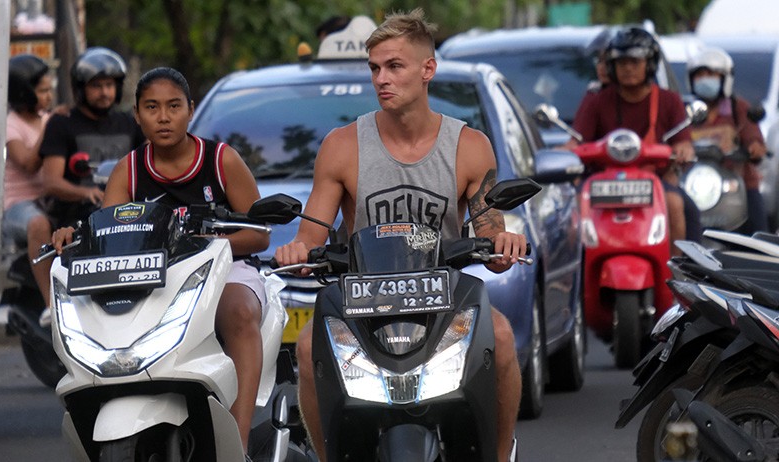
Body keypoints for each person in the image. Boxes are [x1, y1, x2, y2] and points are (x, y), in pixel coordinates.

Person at [273, 9, 526, 462]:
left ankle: (500, 453)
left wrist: (504, 246)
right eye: (375, 69)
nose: (381, 79)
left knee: (503, 338)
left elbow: (493, 235)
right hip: (362, 301)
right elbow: (311, 232)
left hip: (445, 301)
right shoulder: (342, 145)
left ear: (428, 69)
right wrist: (298, 249)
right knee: (310, 345)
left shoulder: (470, 146)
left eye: (394, 66)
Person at [52, 67, 269, 455]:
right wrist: (74, 236)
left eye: (173, 106)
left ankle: (239, 437)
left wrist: (213, 243)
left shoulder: (221, 160)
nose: (163, 117)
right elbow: (103, 231)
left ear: (191, 110)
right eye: (152, 107)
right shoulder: (129, 169)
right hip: (152, 278)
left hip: (224, 272)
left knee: (238, 312)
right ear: (136, 114)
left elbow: (259, 233)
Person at [29, 47, 144, 326]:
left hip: (123, 214)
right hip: (74, 214)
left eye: (109, 85)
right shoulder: (63, 123)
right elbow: (52, 180)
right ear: (81, 89)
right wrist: (86, 192)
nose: (105, 92)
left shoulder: (129, 123)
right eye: (96, 86)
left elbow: (147, 167)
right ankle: (53, 306)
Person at [566, 27, 701, 254]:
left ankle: (679, 276)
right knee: (571, 214)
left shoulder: (669, 100)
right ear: (612, 66)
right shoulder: (596, 100)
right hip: (602, 185)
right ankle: (579, 280)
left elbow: (683, 142)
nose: (628, 68)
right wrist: (562, 155)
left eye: (635, 62)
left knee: (680, 206)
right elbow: (576, 142)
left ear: (649, 64)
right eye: (621, 63)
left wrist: (683, 150)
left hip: (656, 183)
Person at [687, 46, 769, 233]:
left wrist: (755, 147)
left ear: (725, 79)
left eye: (711, 74)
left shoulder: (737, 108)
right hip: (697, 184)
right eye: (700, 75)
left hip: (737, 182)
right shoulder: (687, 111)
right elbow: (674, 138)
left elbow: (752, 135)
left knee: (759, 231)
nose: (705, 79)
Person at [4, 54, 61, 250]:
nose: (50, 96)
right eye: (43, 91)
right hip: (18, 206)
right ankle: (46, 281)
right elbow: (28, 164)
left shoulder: (46, 118)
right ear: (23, 92)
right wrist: (51, 127)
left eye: (50, 89)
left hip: (49, 199)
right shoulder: (11, 124)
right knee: (39, 224)